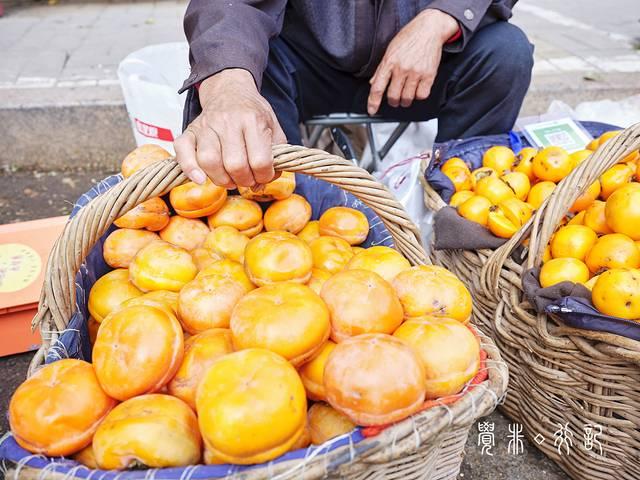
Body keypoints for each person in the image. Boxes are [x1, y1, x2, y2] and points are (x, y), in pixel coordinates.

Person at [175, 1, 533, 189]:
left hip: (423, 67)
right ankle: (275, 220)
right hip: (307, 66)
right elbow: (230, 6)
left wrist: (440, 20)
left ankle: (458, 215)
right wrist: (229, 86)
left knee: (506, 52)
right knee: (243, 69)